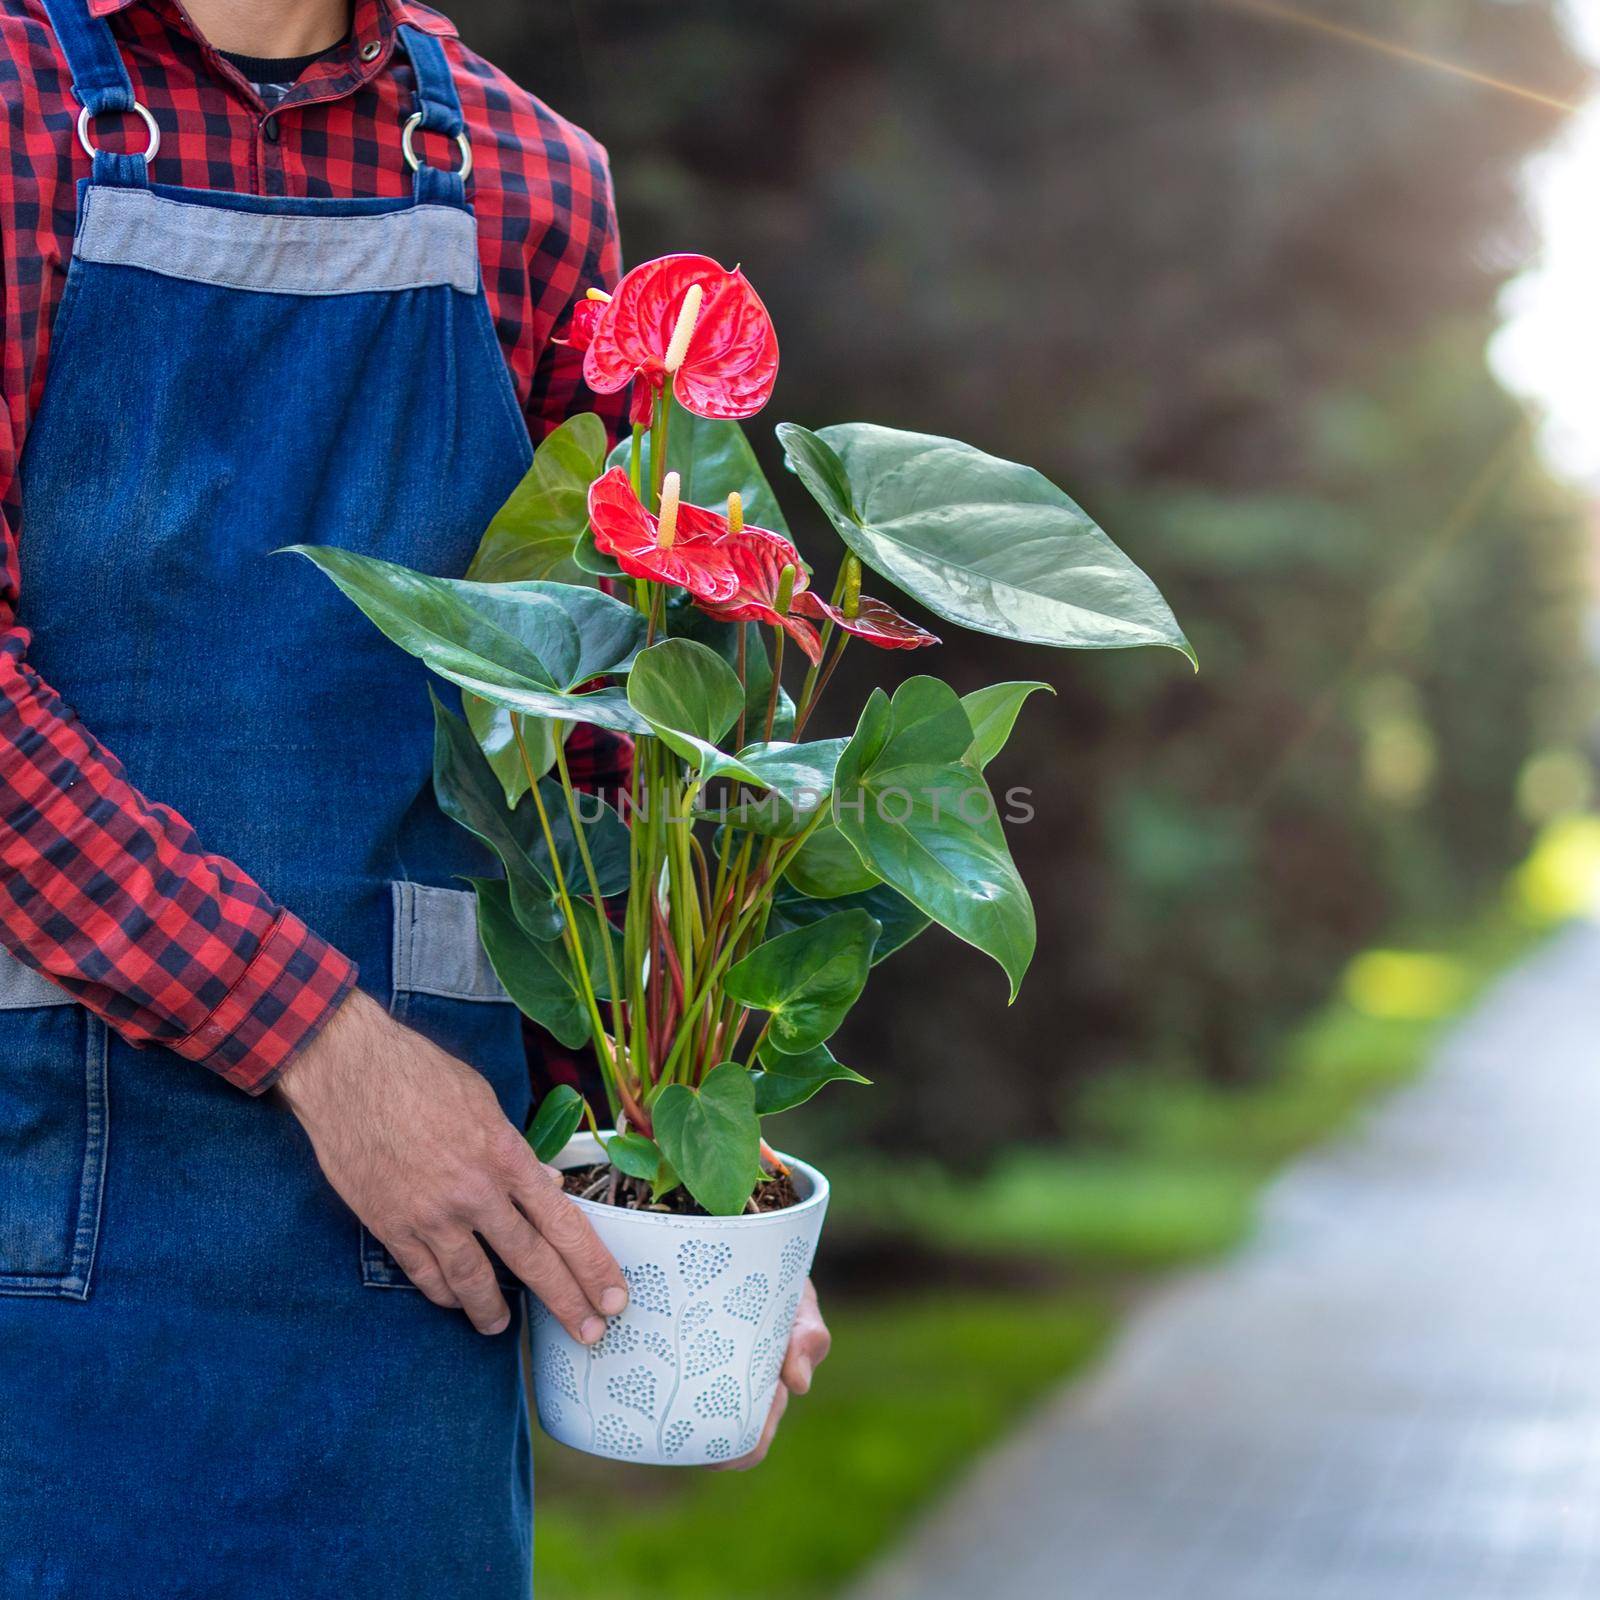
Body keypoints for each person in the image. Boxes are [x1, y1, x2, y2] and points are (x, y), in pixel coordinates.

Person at [0, 1, 828, 1594]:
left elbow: (590, 740)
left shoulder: (525, 180)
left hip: (414, 1262)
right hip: (52, 1225)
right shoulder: (18, 116)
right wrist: (317, 1046)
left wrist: (698, 1182)